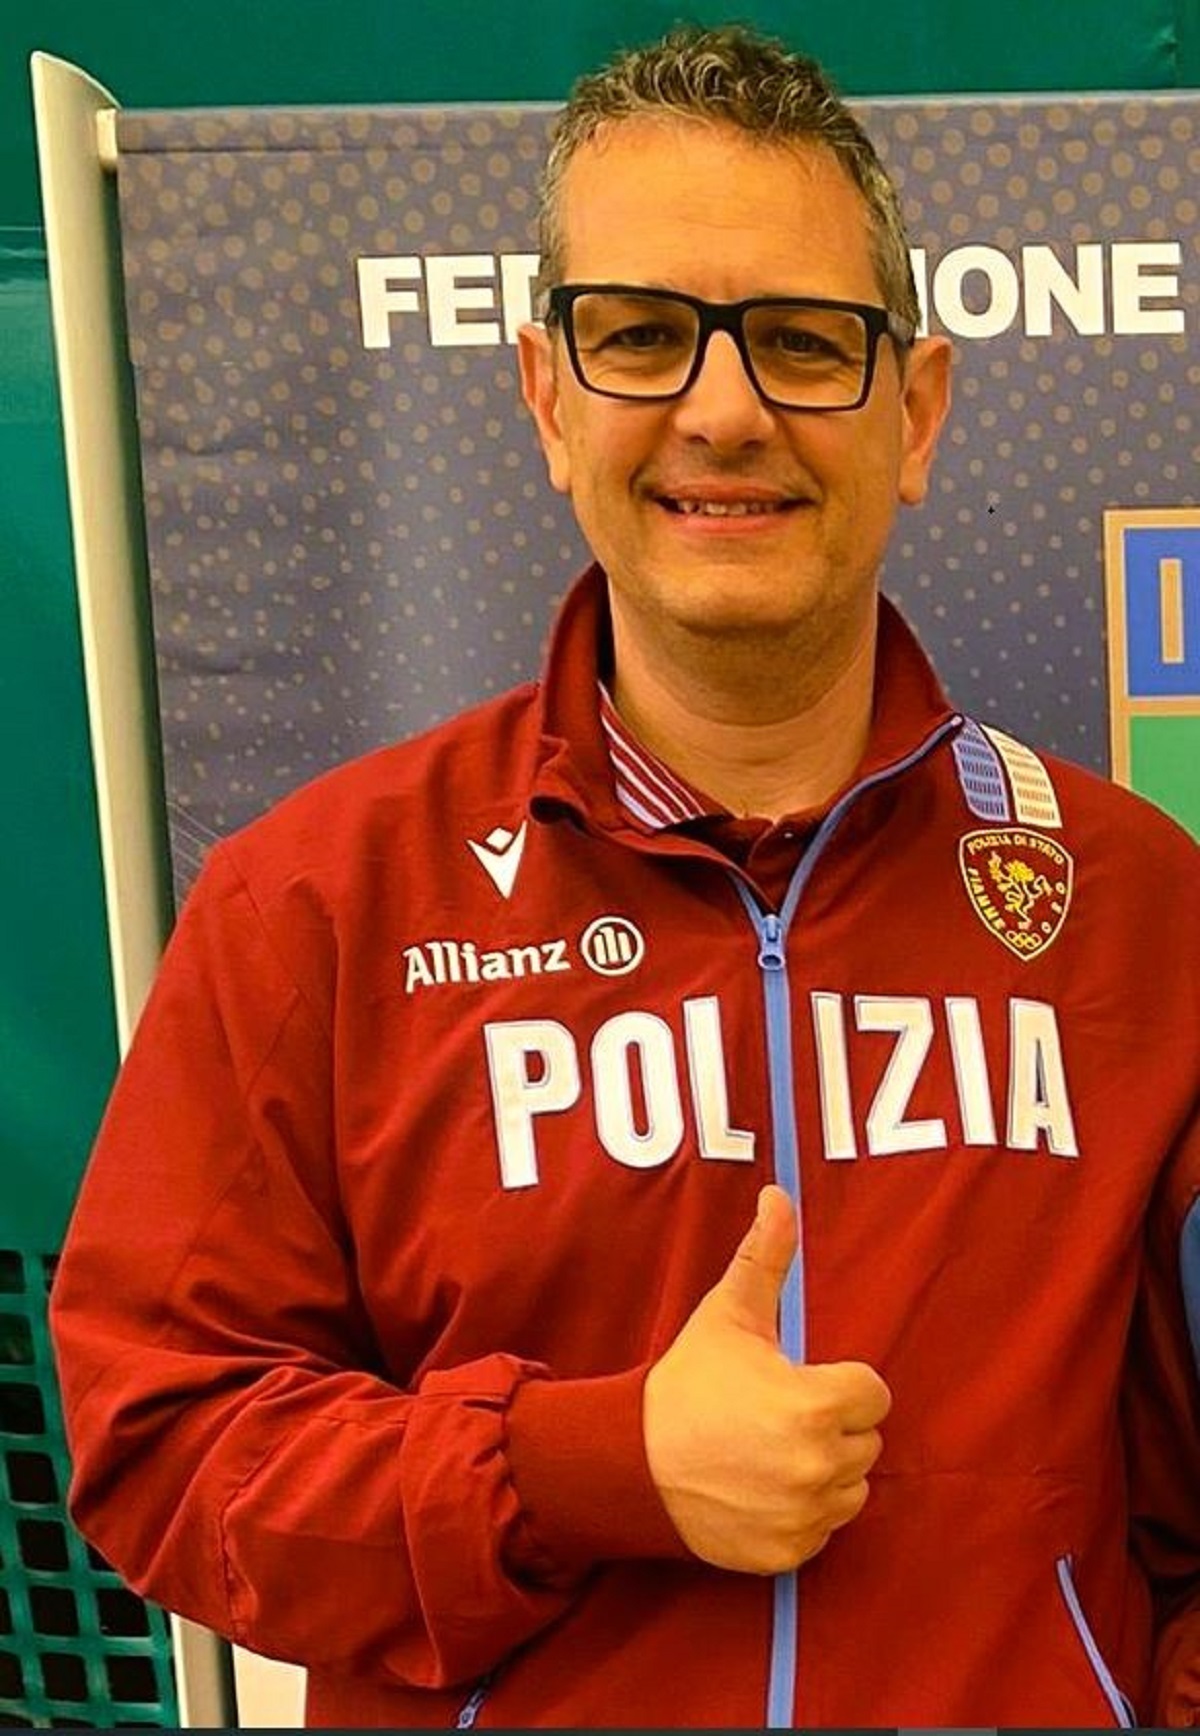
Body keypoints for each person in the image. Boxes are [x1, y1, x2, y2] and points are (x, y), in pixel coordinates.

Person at [49, 21, 1200, 1730]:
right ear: (546, 398)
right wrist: (587, 1465)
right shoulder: (318, 904)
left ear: (916, 413)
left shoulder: (1136, 904)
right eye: (644, 336)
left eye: (803, 342)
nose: (724, 412)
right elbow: (164, 1443)